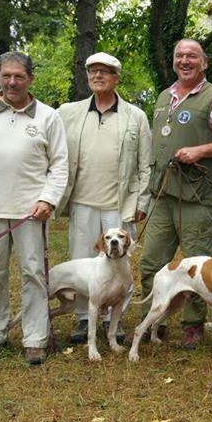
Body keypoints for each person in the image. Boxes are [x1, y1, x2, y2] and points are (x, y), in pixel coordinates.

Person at [0, 51, 68, 366]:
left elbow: (60, 164)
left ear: (31, 78)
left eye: (19, 76)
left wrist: (48, 199)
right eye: (6, 76)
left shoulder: (48, 116)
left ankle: (35, 339)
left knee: (34, 273)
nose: (12, 82)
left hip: (31, 212)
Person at [137, 39, 212, 349]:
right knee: (150, 261)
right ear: (173, 62)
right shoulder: (162, 97)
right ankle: (152, 320)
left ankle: (193, 325)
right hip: (163, 193)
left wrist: (200, 150)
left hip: (197, 194)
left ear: (204, 63)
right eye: (179, 56)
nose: (185, 61)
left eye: (192, 56)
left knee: (198, 263)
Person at [56, 52, 151, 344]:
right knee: (83, 263)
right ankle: (85, 319)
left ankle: (115, 321)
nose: (98, 76)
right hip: (82, 201)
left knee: (120, 264)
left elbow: (146, 164)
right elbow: (35, 118)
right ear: (87, 76)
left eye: (105, 72)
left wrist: (141, 203)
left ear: (116, 77)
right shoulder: (68, 112)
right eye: (93, 71)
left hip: (119, 205)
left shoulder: (135, 116)